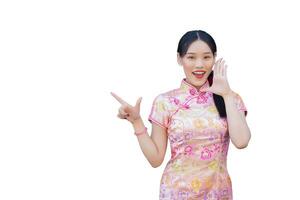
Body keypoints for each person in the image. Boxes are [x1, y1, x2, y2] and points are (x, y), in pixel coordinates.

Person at [111, 30, 251, 200]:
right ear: (179, 59)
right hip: (176, 193)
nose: (199, 64)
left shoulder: (231, 98)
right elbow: (155, 159)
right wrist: (136, 121)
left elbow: (242, 141)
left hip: (218, 193)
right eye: (191, 57)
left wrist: (227, 95)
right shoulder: (165, 102)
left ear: (214, 58)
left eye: (206, 57)